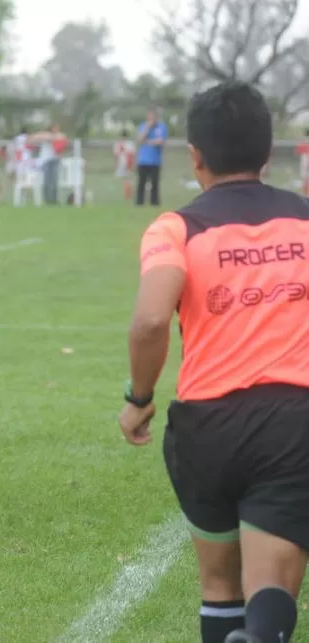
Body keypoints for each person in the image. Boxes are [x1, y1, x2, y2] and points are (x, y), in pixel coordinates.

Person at [119, 81, 309, 643]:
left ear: (196, 156)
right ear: (268, 154)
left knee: (219, 585)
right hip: (293, 420)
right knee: (270, 579)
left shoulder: (175, 227)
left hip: (205, 426)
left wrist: (138, 399)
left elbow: (151, 320)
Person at [135, 108, 168, 206]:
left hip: (155, 161)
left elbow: (161, 141)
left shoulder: (162, 127)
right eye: (150, 116)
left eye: (153, 116)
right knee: (141, 183)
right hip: (143, 160)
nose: (151, 118)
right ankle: (139, 203)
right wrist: (147, 128)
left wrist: (148, 142)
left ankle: (154, 203)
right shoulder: (143, 126)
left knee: (155, 184)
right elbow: (140, 139)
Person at [113, 129, 136, 202]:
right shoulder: (130, 144)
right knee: (126, 180)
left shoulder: (119, 144)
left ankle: (128, 196)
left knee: (126, 181)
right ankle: (128, 196)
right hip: (125, 164)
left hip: (124, 164)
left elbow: (116, 155)